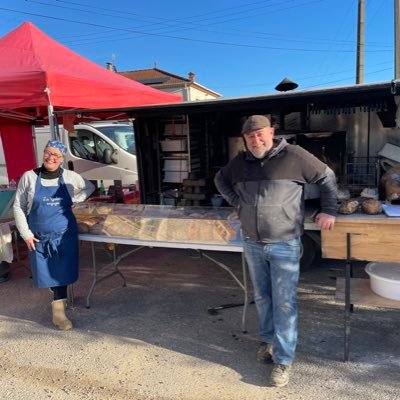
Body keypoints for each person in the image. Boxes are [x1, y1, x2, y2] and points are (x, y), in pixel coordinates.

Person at [214, 115, 337, 387]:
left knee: (284, 302)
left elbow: (327, 178)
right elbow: (220, 179)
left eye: (260, 134)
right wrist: (238, 203)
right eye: (250, 136)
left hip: (285, 243)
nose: (256, 140)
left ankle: (283, 360)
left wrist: (329, 210)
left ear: (271, 132)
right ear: (245, 139)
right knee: (263, 297)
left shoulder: (294, 155)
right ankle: (267, 342)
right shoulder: (241, 162)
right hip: (252, 243)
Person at [13, 140, 95, 330]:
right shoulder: (29, 177)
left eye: (56, 155)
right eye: (48, 153)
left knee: (63, 271)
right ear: (44, 153)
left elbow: (89, 187)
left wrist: (76, 199)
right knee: (47, 272)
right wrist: (25, 234)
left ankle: (58, 312)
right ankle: (59, 302)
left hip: (64, 233)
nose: (51, 157)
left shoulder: (70, 177)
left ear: (62, 159)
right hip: (39, 235)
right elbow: (18, 206)